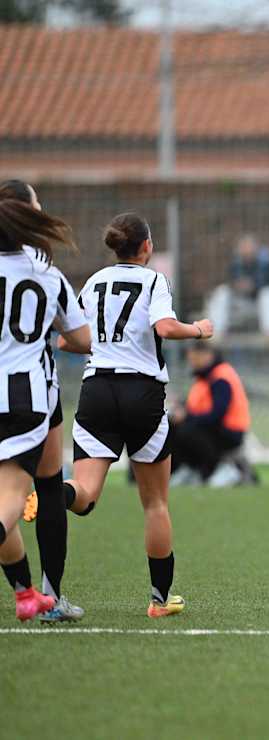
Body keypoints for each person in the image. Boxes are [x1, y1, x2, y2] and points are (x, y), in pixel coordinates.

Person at [65, 212, 215, 617]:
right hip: (142, 392)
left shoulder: (94, 281)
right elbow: (165, 328)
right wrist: (199, 329)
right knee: (154, 504)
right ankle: (160, 601)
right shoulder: (153, 280)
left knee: (84, 496)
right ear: (147, 247)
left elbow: (69, 339)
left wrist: (103, 347)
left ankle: (54, 494)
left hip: (96, 389)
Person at [0, 195, 90, 621]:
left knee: (40, 489)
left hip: (32, 398)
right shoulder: (46, 274)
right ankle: (48, 593)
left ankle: (31, 595)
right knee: (22, 495)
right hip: (26, 396)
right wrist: (61, 338)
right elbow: (85, 338)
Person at [168, 342, 251, 487]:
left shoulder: (220, 377)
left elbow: (218, 413)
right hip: (214, 428)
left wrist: (187, 417)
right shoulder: (206, 377)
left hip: (229, 432)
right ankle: (189, 469)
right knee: (171, 426)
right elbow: (197, 405)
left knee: (187, 430)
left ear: (207, 355)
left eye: (194, 357)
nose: (191, 362)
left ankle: (221, 469)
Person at [205, 233, 269, 336]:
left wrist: (253, 286)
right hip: (240, 303)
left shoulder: (266, 264)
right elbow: (229, 283)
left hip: (258, 304)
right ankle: (216, 333)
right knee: (221, 292)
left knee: (268, 294)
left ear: (256, 249)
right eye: (244, 248)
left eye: (249, 248)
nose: (247, 251)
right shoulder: (235, 264)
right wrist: (237, 286)